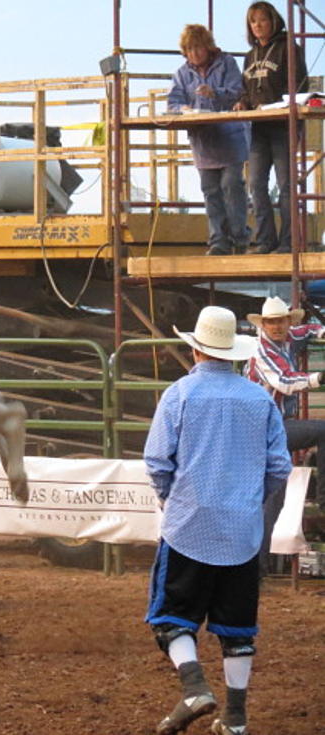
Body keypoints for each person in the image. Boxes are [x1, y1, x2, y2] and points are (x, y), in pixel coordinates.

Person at [144, 305, 291, 735]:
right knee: (237, 626)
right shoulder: (259, 398)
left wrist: (170, 498)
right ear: (234, 352)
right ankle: (237, 719)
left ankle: (193, 688)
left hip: (189, 524)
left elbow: (157, 460)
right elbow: (279, 466)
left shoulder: (180, 394)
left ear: (196, 350)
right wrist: (249, 500)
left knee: (172, 616)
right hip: (241, 531)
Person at [245, 296, 325, 575]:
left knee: (271, 499)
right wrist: (318, 378)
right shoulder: (263, 352)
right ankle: (324, 497)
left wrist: (321, 331)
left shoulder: (288, 337)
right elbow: (285, 381)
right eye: (272, 322)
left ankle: (257, 567)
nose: (277, 326)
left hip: (267, 430)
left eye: (281, 321)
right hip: (266, 429)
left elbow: (309, 330)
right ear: (264, 324)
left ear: (288, 321)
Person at [168, 24, 250, 256]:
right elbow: (172, 102)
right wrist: (182, 108)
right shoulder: (182, 74)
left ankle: (239, 236)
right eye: (190, 49)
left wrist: (216, 93)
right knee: (210, 190)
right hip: (203, 141)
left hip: (230, 137)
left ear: (208, 46)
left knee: (232, 185)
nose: (194, 53)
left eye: (198, 47)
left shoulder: (227, 63)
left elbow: (238, 91)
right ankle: (218, 241)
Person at [235, 2, 308, 255]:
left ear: (273, 21)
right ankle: (266, 239)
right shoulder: (250, 56)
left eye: (262, 20)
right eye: (253, 21)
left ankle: (289, 242)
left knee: (286, 183)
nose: (257, 26)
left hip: (283, 124)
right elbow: (245, 89)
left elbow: (300, 85)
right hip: (259, 126)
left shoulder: (288, 49)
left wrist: (279, 105)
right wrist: (243, 102)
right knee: (255, 182)